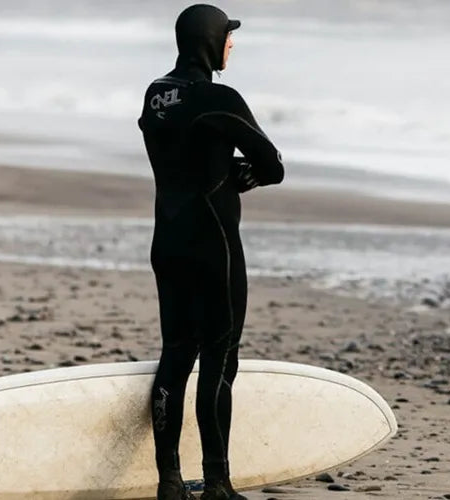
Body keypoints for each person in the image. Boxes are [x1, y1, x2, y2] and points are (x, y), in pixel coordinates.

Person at [137, 4, 284, 500]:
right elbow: (273, 164)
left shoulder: (156, 94)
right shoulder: (219, 98)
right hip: (213, 245)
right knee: (220, 359)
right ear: (210, 41)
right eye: (228, 36)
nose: (232, 45)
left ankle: (169, 482)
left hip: (167, 242)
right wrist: (243, 176)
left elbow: (179, 151)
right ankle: (218, 483)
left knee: (175, 357)